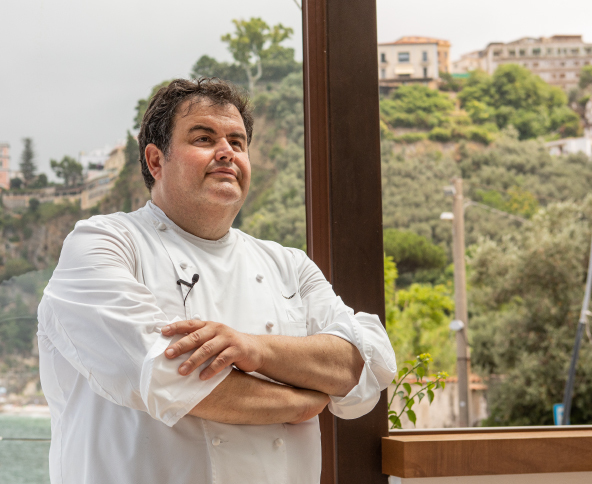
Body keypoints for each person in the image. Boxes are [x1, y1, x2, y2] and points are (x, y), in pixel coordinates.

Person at [37, 78, 396, 484]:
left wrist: (254, 349)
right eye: (204, 138)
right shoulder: (104, 244)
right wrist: (302, 402)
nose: (226, 152)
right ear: (156, 161)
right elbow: (164, 376)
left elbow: (364, 363)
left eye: (238, 143)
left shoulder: (288, 265)